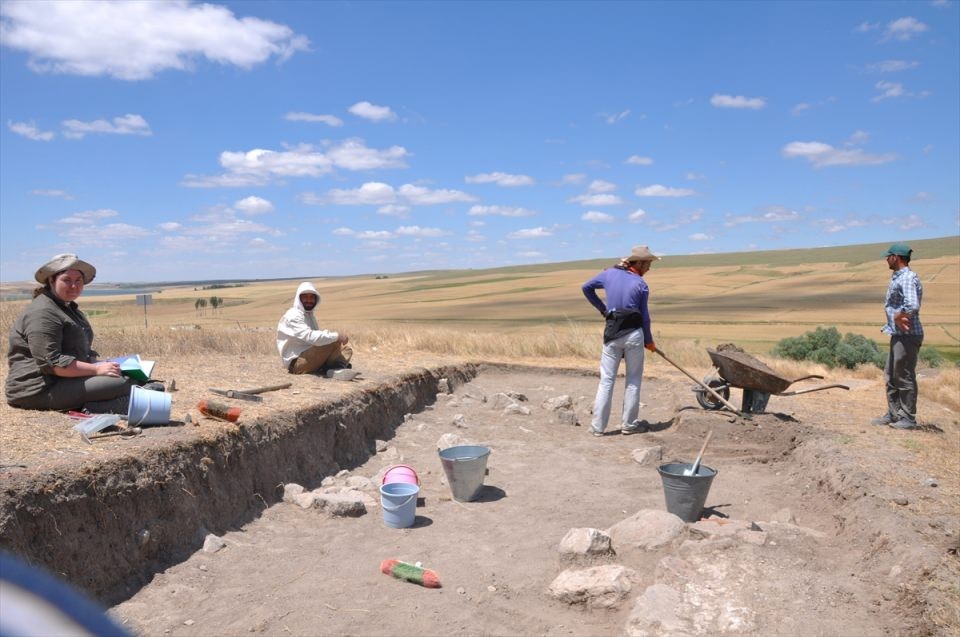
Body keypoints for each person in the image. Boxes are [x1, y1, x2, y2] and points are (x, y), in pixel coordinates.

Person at [5, 254, 149, 413]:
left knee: (132, 375)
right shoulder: (43, 312)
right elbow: (53, 364)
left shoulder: (67, 308)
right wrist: (96, 370)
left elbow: (79, 350)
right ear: (51, 281)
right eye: (66, 280)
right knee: (122, 382)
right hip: (37, 389)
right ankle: (97, 406)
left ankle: (122, 399)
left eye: (78, 280)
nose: (73, 286)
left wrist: (98, 363)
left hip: (64, 379)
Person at [582, 245, 659, 436]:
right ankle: (629, 425)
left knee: (606, 380)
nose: (649, 268)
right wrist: (649, 340)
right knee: (633, 380)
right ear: (638, 263)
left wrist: (603, 309)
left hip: (612, 332)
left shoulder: (608, 274)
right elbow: (645, 317)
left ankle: (597, 428)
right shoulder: (641, 285)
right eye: (648, 264)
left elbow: (586, 287)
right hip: (634, 334)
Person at [872, 243, 924, 430]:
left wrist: (897, 315)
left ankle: (908, 418)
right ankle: (894, 414)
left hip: (908, 336)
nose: (886, 259)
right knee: (891, 375)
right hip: (898, 334)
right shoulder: (898, 277)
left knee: (903, 375)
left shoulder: (907, 278)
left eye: (888, 256)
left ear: (896, 257)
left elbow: (912, 305)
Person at [276, 281, 357, 379]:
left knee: (346, 349)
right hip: (297, 363)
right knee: (331, 341)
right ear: (299, 298)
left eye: (311, 297)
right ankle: (334, 368)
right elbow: (311, 337)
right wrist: (337, 336)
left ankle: (336, 369)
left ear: (316, 299)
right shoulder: (293, 315)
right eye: (305, 297)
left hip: (310, 357)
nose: (309, 300)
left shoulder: (309, 315)